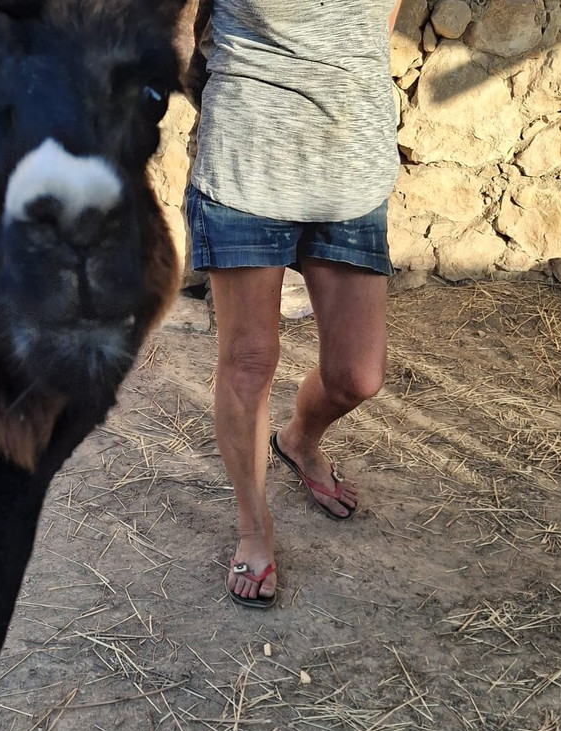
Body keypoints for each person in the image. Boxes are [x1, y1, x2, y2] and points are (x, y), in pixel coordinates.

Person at [184, 0, 404, 608]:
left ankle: (299, 439)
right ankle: (254, 533)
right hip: (245, 166)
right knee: (250, 360)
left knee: (358, 375)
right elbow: (178, 31)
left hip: (349, 170)